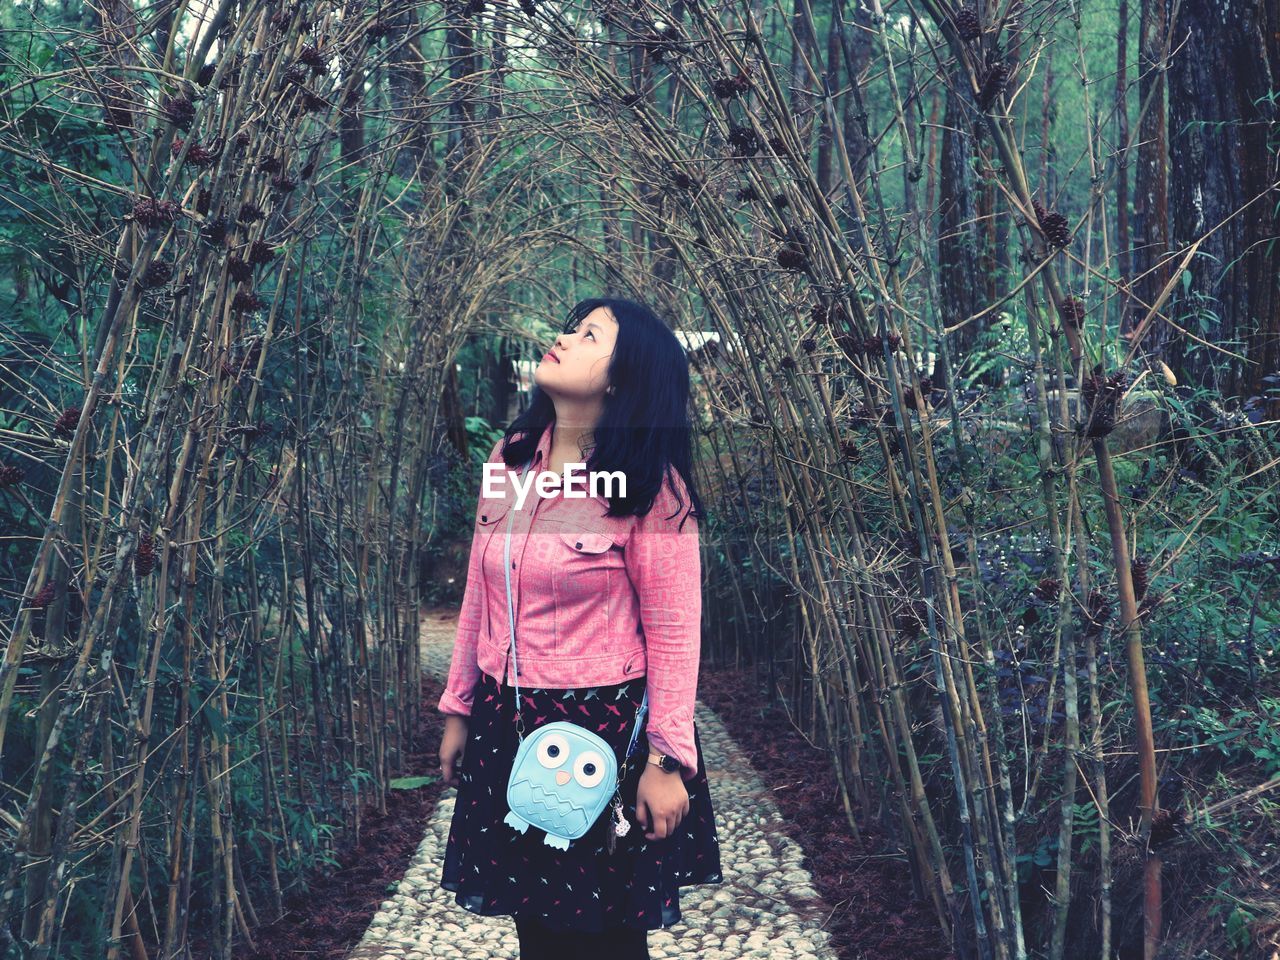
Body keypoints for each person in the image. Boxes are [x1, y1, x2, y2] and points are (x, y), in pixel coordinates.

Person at [435, 297, 723, 959]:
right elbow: (480, 596)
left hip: (602, 738)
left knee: (606, 936)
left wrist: (667, 762)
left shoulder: (651, 490)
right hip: (507, 726)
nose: (564, 338)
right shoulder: (510, 464)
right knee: (536, 931)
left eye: (589, 334)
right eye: (570, 326)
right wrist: (459, 710)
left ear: (623, 377)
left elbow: (677, 634)